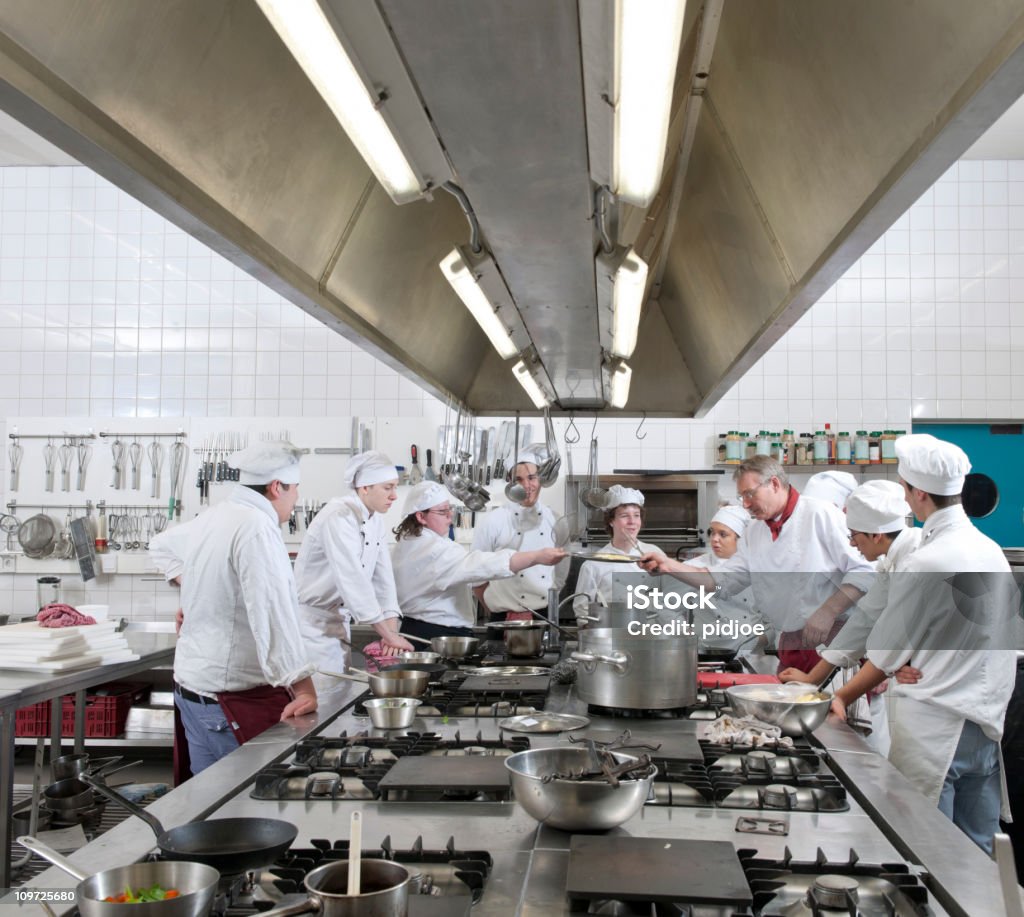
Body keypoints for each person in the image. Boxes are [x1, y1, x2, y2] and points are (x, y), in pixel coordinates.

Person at [829, 433, 1017, 853]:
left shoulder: (928, 559)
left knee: (929, 853)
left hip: (937, 730)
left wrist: (840, 697)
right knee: (979, 857)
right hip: (985, 728)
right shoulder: (989, 550)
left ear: (916, 494)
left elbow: (886, 650)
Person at [638, 455, 874, 674]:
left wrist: (828, 611)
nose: (746, 505)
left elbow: (864, 571)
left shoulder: (819, 514)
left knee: (839, 716)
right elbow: (720, 582)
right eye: (742, 497)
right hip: (792, 643)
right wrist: (669, 565)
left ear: (773, 483)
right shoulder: (755, 531)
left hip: (835, 641)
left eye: (750, 494)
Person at [173, 441, 317, 776]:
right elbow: (272, 609)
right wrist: (302, 683)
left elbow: (165, 548)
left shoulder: (215, 515)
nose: (295, 500)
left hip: (193, 691)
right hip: (228, 702)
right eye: (295, 490)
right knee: (247, 807)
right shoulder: (256, 526)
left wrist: (194, 603)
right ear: (277, 487)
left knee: (209, 809)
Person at [780, 479, 921, 755]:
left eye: (853, 535)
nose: (852, 544)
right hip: (924, 680)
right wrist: (812, 679)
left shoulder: (916, 560)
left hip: (951, 684)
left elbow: (890, 641)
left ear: (877, 536)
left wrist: (842, 696)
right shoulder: (892, 559)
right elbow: (863, 622)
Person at [391, 481, 566, 639]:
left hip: (416, 628)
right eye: (443, 511)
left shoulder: (408, 543)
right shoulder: (434, 551)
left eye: (450, 509)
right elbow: (483, 565)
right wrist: (537, 556)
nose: (450, 517)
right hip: (435, 634)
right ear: (421, 517)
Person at [294, 450, 414, 672]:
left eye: (395, 487)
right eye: (388, 488)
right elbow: (352, 579)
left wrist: (392, 635)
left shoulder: (374, 519)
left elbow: (383, 580)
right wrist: (387, 635)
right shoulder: (338, 517)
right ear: (365, 487)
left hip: (339, 622)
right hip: (311, 627)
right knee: (323, 697)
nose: (394, 496)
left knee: (338, 696)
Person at [472, 448, 563, 622]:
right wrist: (496, 610)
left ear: (541, 479)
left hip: (545, 615)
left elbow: (560, 572)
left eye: (531, 478)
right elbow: (476, 575)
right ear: (510, 483)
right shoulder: (493, 520)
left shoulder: (554, 519)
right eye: (518, 480)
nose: (527, 486)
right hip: (503, 617)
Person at [686, 504, 768, 653]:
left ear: (740, 539)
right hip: (704, 652)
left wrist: (759, 641)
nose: (715, 539)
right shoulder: (693, 566)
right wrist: (687, 637)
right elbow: (669, 608)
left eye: (723, 534)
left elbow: (773, 618)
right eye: (712, 533)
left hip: (749, 650)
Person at [572, 486, 664, 617]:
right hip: (610, 632)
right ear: (611, 521)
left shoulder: (655, 554)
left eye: (636, 515)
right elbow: (582, 609)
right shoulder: (594, 563)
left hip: (651, 631)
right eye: (624, 515)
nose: (632, 522)